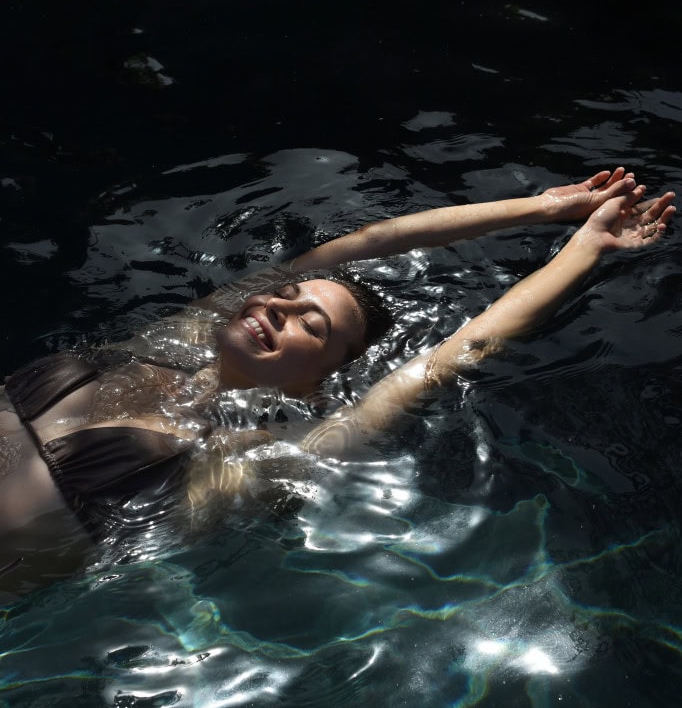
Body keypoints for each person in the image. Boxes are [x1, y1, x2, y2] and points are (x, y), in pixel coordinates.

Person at [0, 168, 674, 597]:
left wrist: (587, 247)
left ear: (315, 389)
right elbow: (360, 246)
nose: (277, 307)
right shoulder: (166, 346)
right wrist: (538, 209)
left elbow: (458, 351)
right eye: (283, 295)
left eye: (310, 326)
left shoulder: (257, 458)